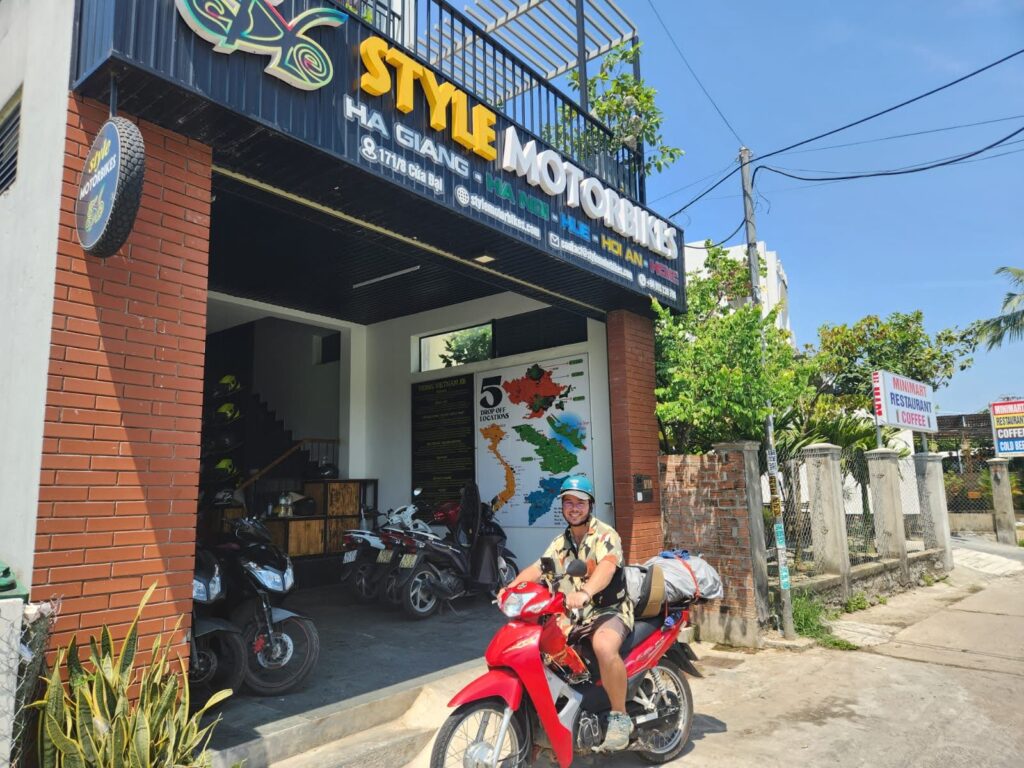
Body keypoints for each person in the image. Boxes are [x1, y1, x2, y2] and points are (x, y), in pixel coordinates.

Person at [504, 474, 634, 752]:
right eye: (568, 502)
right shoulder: (560, 542)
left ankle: (620, 716)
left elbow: (607, 567)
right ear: (562, 506)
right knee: (542, 651)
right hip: (575, 615)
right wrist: (510, 589)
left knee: (603, 645)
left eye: (580, 503)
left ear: (590, 506)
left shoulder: (605, 534)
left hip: (609, 609)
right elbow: (539, 568)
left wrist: (586, 592)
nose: (574, 508)